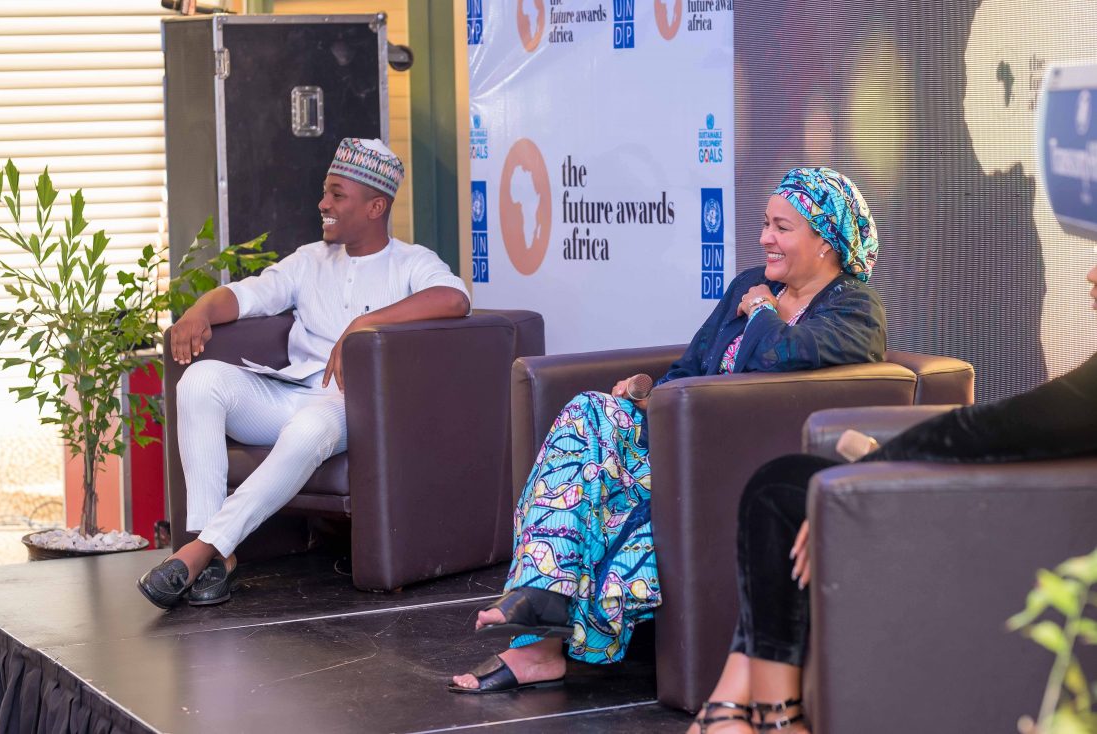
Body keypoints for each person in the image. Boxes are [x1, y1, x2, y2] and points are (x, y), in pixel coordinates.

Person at [449, 167, 885, 694]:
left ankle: (539, 633)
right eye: (765, 223)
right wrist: (647, 391)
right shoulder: (751, 283)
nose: (765, 237)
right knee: (589, 412)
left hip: (739, 466)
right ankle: (540, 609)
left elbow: (782, 357)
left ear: (826, 241)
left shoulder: (853, 307)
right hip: (682, 444)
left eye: (782, 227)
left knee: (604, 486)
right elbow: (692, 367)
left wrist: (762, 311)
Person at [691, 262, 1097, 732]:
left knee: (780, 496)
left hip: (1012, 528)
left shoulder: (851, 304)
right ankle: (742, 713)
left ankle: (752, 715)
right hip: (1012, 510)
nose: (1090, 273)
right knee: (782, 485)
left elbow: (998, 428)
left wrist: (862, 477)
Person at [137, 138, 470, 609]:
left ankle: (199, 549)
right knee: (199, 381)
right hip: (290, 393)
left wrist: (362, 325)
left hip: (349, 406)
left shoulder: (411, 262)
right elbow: (245, 295)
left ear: (376, 206)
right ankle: (219, 555)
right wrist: (199, 311)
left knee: (310, 426)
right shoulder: (308, 260)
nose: (323, 204)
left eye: (337, 195)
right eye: (324, 192)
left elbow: (454, 299)